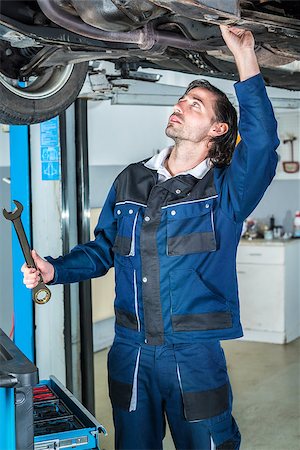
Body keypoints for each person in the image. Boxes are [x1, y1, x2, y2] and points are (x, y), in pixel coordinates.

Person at [22, 25, 279, 450]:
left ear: (217, 130)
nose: (180, 105)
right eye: (182, 99)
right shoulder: (131, 180)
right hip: (130, 351)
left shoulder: (226, 192)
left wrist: (246, 57)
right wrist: (55, 268)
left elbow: (264, 141)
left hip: (193, 354)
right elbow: (104, 247)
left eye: (195, 105)